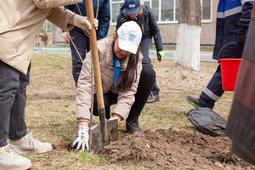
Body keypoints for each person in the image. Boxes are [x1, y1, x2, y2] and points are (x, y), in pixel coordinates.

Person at [0, 0, 98, 169]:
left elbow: (49, 9)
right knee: (6, 88)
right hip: (7, 31)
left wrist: (75, 19)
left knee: (20, 84)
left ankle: (18, 136)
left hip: (19, 36)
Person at [72, 21, 156, 151]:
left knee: (149, 73)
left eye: (128, 50)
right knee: (94, 103)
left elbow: (129, 92)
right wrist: (83, 125)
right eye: (121, 46)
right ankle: (103, 120)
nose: (123, 52)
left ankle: (132, 120)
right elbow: (84, 86)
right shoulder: (98, 50)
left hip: (121, 90)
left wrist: (116, 120)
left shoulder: (136, 58)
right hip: (103, 92)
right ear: (115, 36)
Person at [186, 0, 254, 109]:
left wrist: (244, 31)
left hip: (238, 37)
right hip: (234, 37)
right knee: (227, 69)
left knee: (228, 69)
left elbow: (251, 5)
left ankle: (205, 101)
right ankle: (205, 101)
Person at [116, 0, 165, 103]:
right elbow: (118, 35)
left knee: (143, 60)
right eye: (130, 12)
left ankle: (154, 92)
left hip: (145, 36)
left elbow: (155, 30)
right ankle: (129, 88)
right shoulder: (121, 17)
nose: (133, 14)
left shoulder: (147, 12)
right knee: (130, 62)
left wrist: (159, 49)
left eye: (135, 11)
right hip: (130, 37)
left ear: (140, 9)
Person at [66, 0, 110, 87]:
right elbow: (66, 11)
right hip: (77, 29)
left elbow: (105, 17)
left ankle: (94, 87)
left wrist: (100, 38)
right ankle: (80, 88)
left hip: (96, 29)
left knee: (96, 60)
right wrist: (65, 29)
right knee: (78, 60)